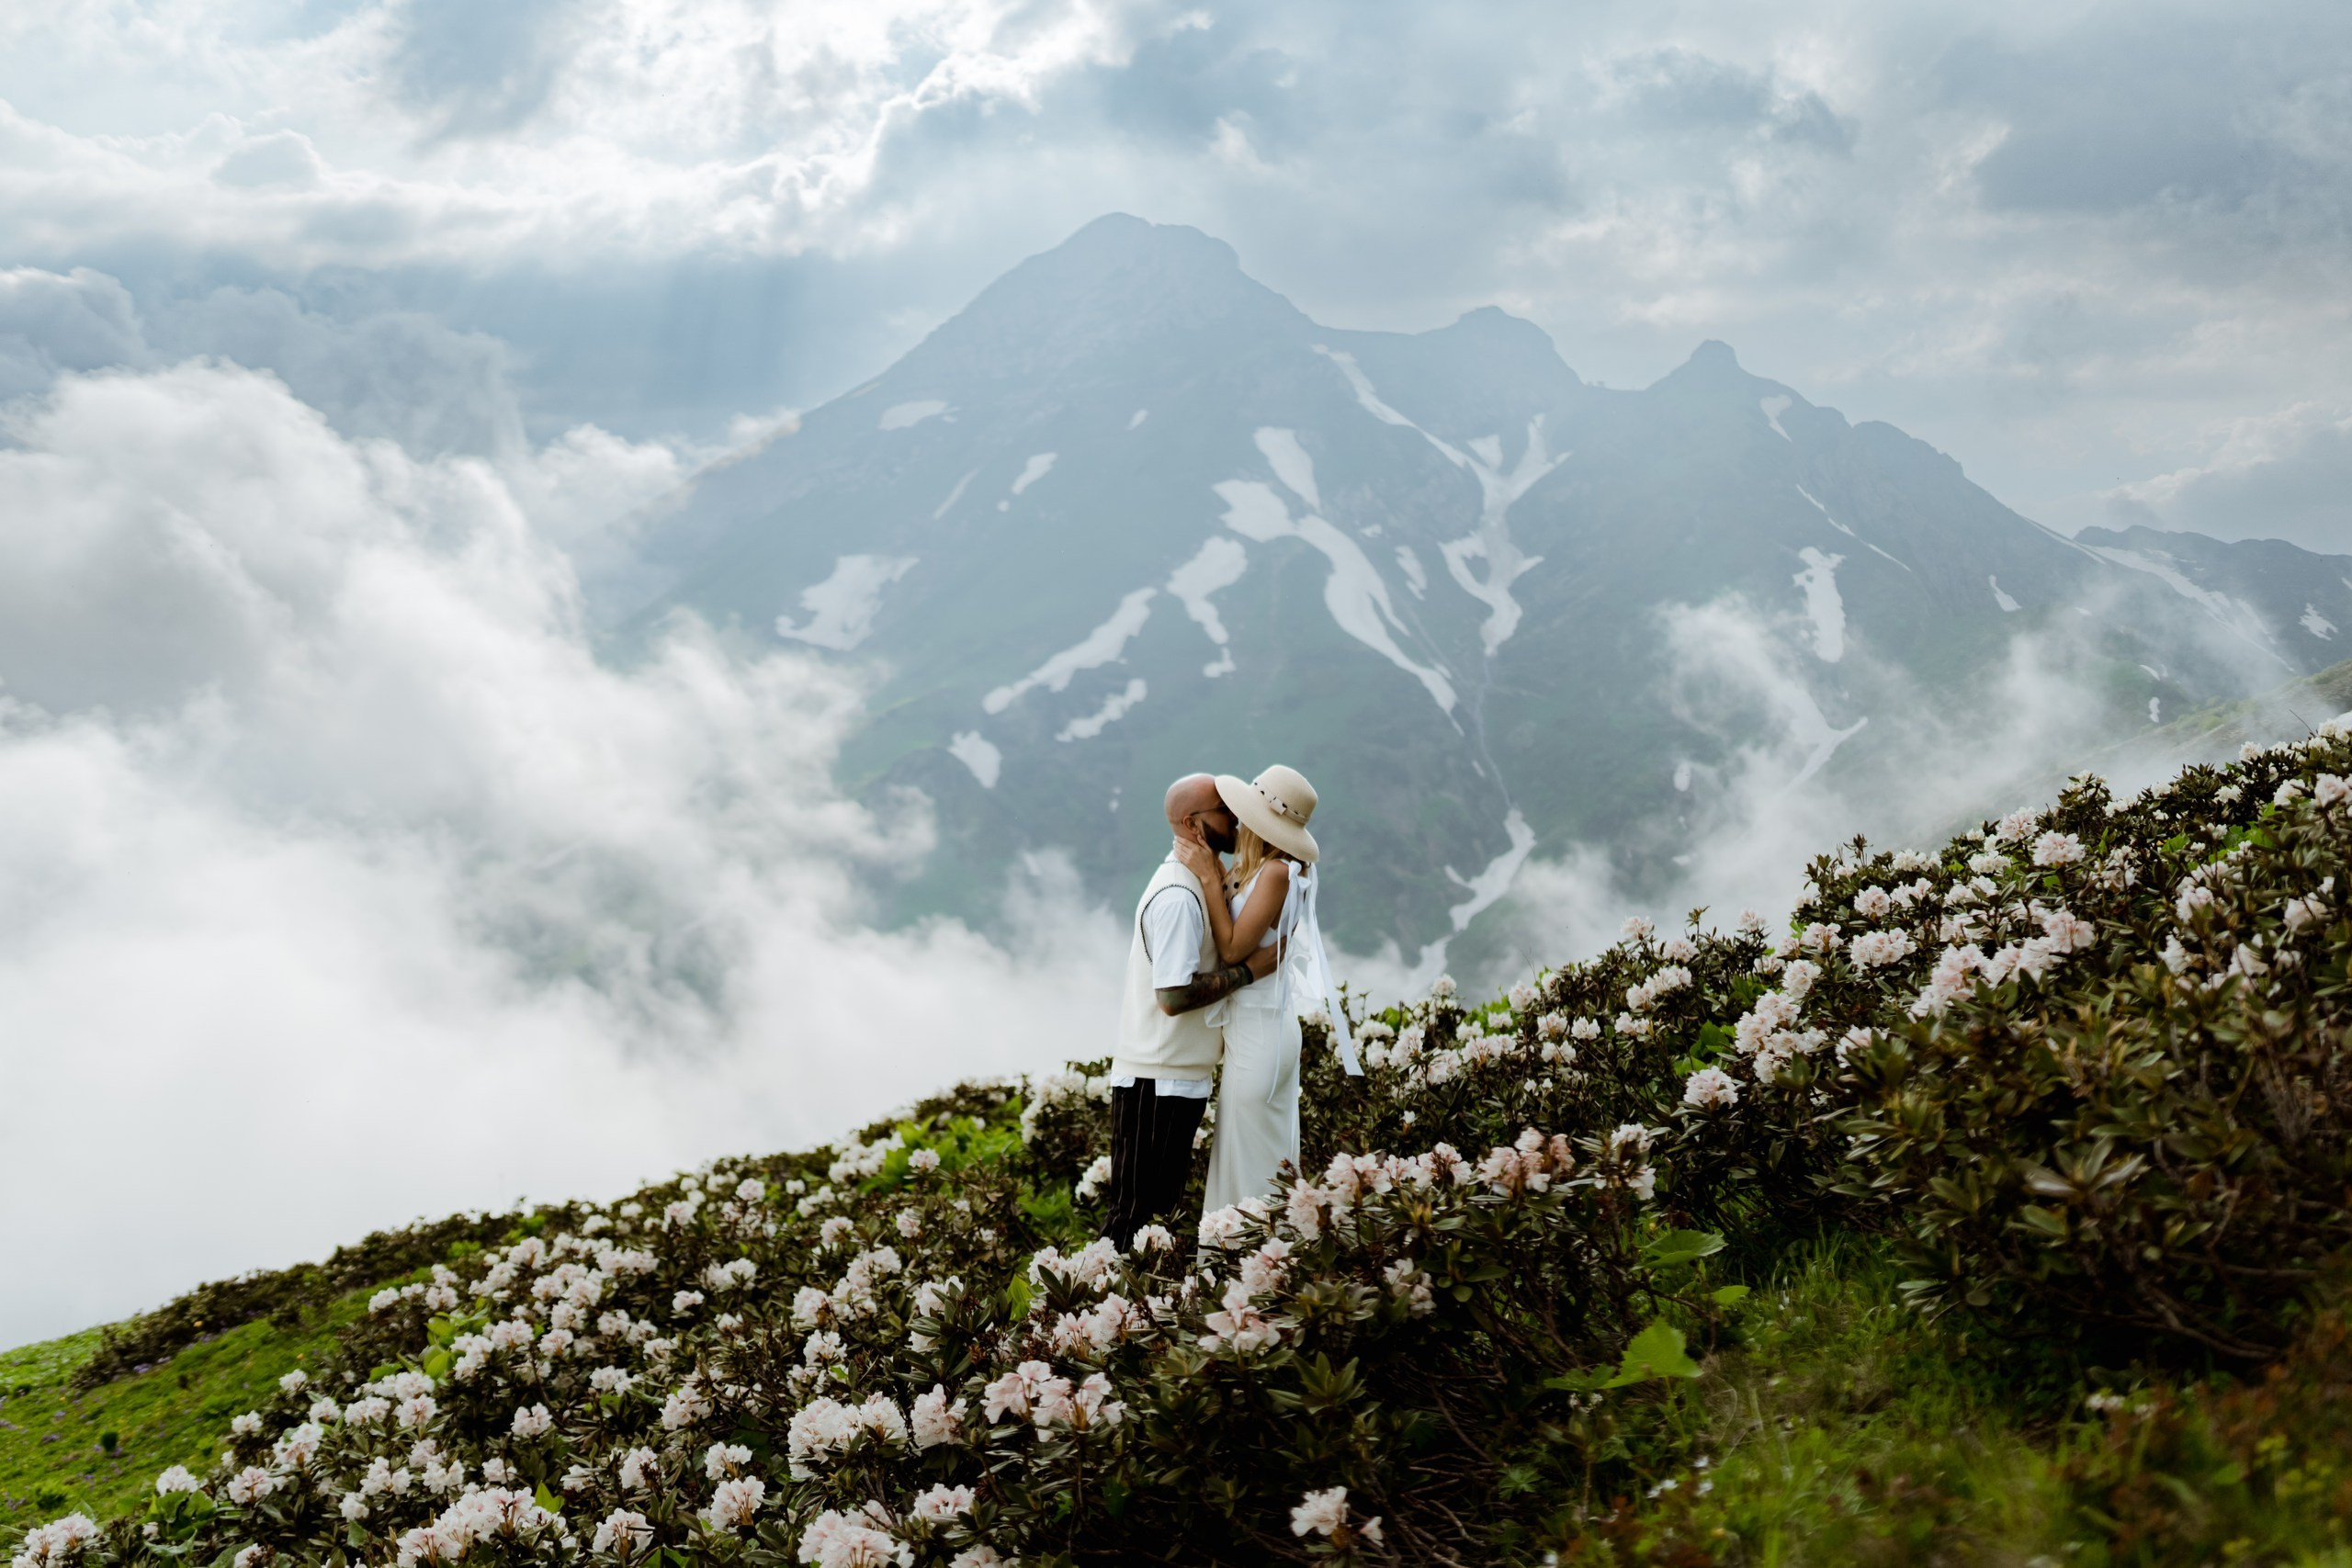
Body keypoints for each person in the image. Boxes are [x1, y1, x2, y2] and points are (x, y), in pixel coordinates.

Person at [1172, 765, 1361, 1225]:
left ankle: (1256, 1264)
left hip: (1260, 1034)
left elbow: (1236, 948)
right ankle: (1256, 1268)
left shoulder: (1277, 872)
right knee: (1243, 1154)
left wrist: (1209, 876)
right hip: (1255, 1030)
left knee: (1252, 1163)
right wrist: (1216, 871)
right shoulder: (1258, 867)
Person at [1098, 773, 1280, 1250]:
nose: (1238, 820)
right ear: (1193, 824)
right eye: (1226, 812)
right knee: (1136, 1218)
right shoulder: (1179, 897)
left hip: (1174, 1076)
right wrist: (1250, 972)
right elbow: (1173, 997)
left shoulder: (1200, 883)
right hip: (1157, 1080)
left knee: (1154, 1216)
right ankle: (1087, 1319)